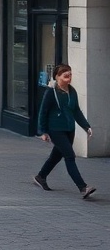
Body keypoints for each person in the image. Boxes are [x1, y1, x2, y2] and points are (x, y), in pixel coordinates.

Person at [35, 64, 96, 198]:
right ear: (57, 77)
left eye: (70, 75)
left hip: (69, 129)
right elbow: (43, 112)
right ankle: (83, 187)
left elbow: (76, 111)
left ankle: (41, 176)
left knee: (56, 156)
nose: (69, 79)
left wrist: (86, 126)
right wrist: (43, 132)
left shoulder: (72, 91)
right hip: (55, 130)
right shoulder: (51, 92)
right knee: (69, 156)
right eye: (66, 76)